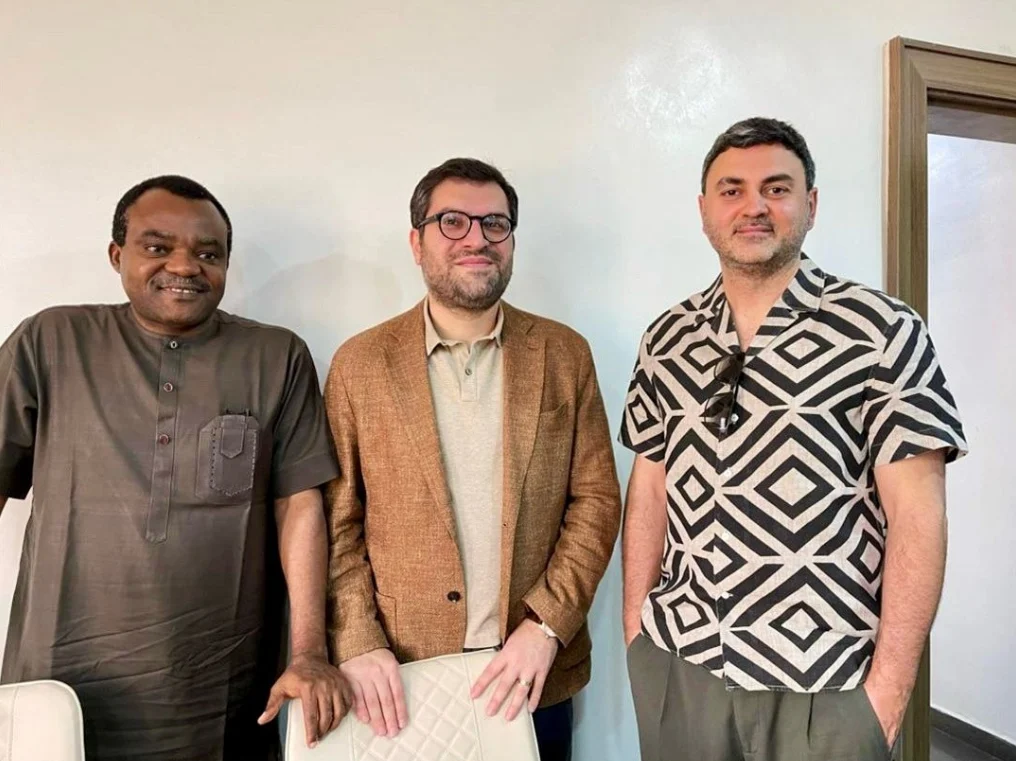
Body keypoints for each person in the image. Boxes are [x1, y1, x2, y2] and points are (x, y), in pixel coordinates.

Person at [620, 118, 968, 761]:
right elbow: (649, 486)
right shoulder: (666, 338)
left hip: (828, 681)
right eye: (732, 190)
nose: (754, 206)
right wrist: (635, 629)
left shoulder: (882, 330)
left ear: (810, 204)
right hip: (681, 662)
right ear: (704, 210)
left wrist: (889, 693)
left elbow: (919, 515)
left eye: (776, 188)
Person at [0, 175, 348, 760]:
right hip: (61, 678)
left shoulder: (275, 357)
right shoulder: (51, 341)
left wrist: (310, 652)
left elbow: (300, 505)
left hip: (218, 690)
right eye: (158, 247)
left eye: (208, 253)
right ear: (117, 254)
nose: (184, 266)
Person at [323, 158, 622, 761]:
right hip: (400, 679)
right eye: (452, 222)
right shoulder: (359, 364)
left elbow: (595, 500)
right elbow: (337, 520)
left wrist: (547, 625)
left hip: (531, 674)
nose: (477, 239)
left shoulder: (564, 353)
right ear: (417, 243)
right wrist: (357, 639)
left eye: (495, 224)